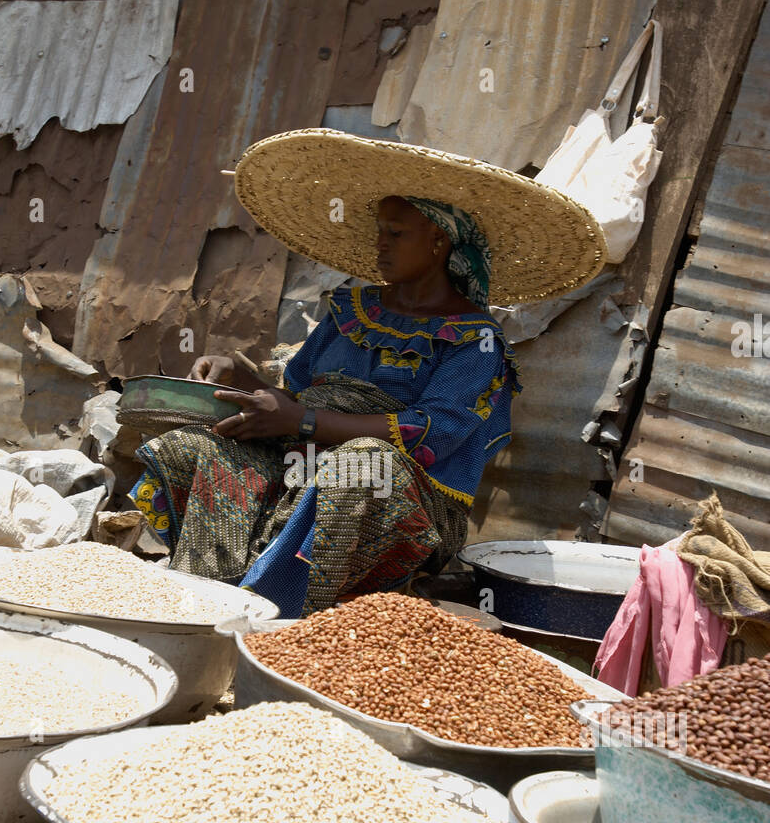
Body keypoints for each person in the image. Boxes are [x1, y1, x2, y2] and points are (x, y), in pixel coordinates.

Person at [130, 130, 605, 616]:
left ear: (438, 241)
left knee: (360, 462)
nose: (380, 244)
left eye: (395, 234)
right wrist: (241, 375)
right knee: (198, 446)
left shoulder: (475, 342)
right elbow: (294, 395)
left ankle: (279, 612)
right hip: (303, 459)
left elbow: (430, 436)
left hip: (408, 497)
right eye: (380, 231)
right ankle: (204, 594)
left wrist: (304, 423)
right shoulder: (350, 310)